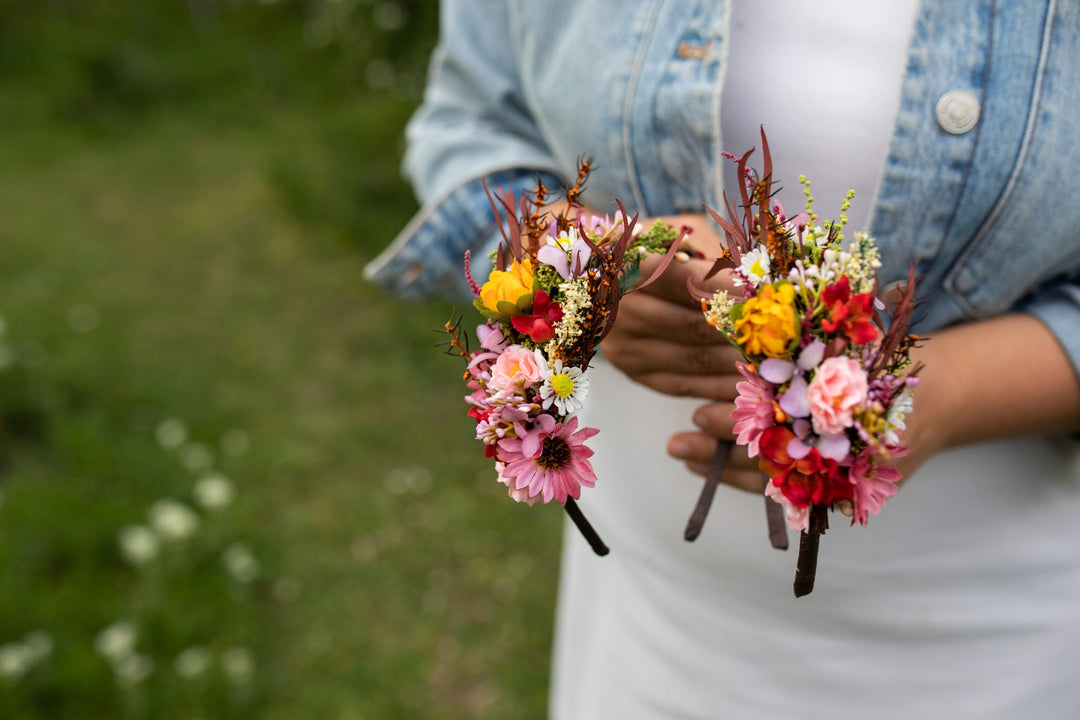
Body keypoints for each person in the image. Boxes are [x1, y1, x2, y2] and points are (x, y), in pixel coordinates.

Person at [364, 1, 1080, 717]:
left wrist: (946, 394)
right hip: (647, 608)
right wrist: (570, 270)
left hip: (989, 634)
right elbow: (473, 127)